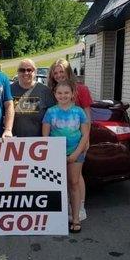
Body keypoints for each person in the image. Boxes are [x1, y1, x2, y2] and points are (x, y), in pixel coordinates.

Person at [48, 58, 93, 222]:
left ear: (68, 72)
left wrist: (86, 138)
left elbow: (87, 115)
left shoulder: (81, 89)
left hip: (77, 141)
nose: (59, 75)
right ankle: (67, 207)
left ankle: (80, 207)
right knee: (62, 176)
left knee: (76, 176)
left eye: (62, 71)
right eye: (56, 72)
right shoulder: (53, 91)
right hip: (57, 143)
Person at [42, 80, 90, 233]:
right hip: (56, 154)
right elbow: (45, 136)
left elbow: (85, 135)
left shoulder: (79, 112)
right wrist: (55, 155)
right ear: (55, 95)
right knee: (58, 186)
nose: (63, 96)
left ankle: (75, 218)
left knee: (74, 184)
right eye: (60, 93)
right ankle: (58, 219)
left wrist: (76, 154)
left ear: (72, 94)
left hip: (76, 153)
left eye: (66, 93)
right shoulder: (50, 112)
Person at [11, 59, 55, 137]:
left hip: (39, 142)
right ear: (17, 72)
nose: (26, 73)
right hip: (15, 142)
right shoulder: (9, 90)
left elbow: (53, 117)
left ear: (35, 72)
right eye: (22, 70)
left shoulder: (45, 91)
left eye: (29, 70)